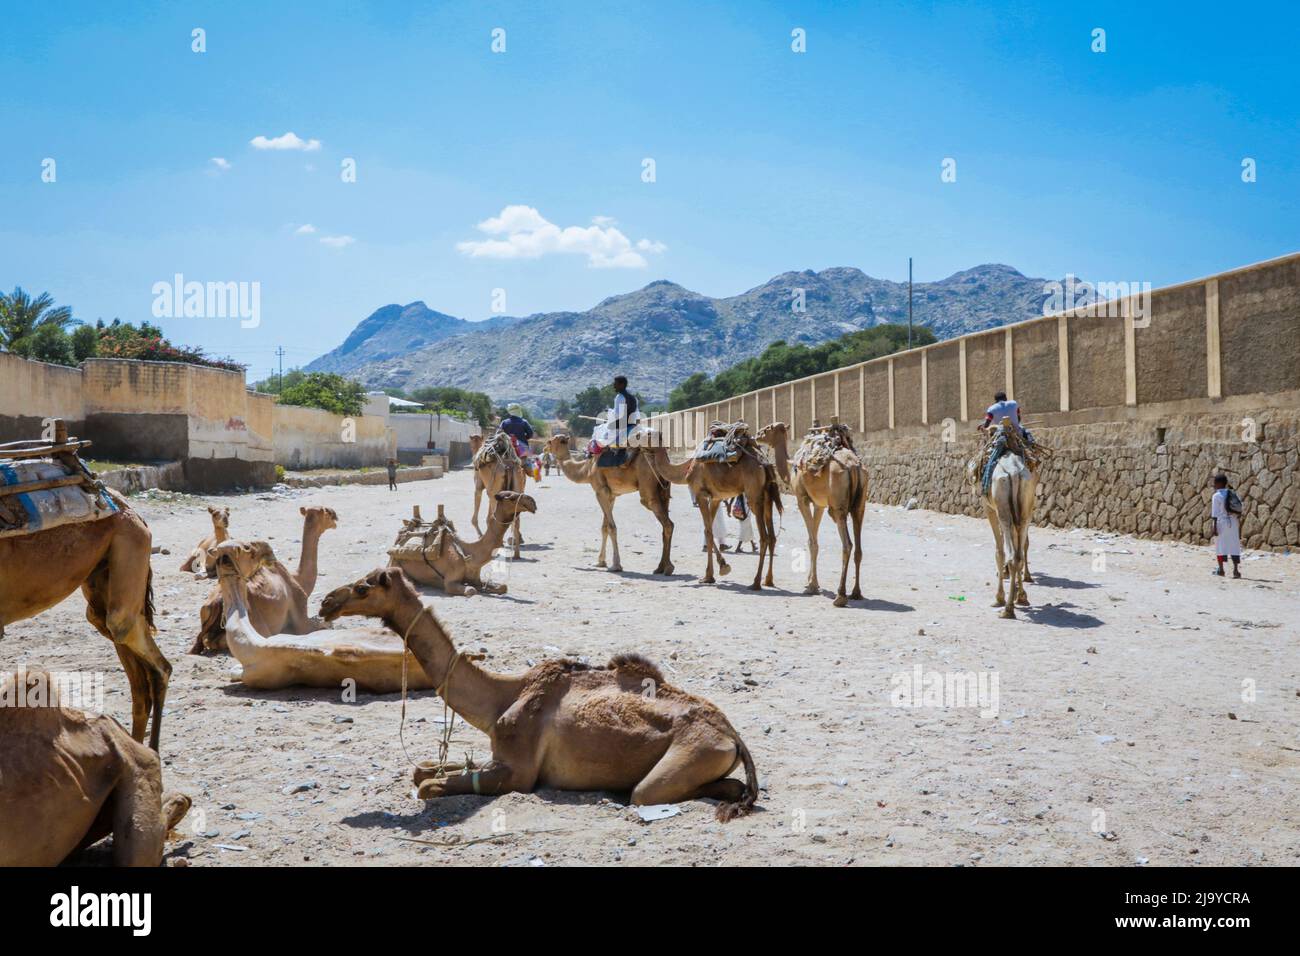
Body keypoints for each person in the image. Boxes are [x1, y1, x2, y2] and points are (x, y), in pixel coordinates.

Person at [1210, 474, 1243, 578]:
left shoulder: (1216, 496)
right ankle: (1236, 571)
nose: (1213, 484)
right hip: (1233, 522)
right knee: (1234, 545)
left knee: (1220, 546)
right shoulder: (1233, 493)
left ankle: (1221, 570)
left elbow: (1215, 514)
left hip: (1222, 523)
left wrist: (1214, 527)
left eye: (1215, 482)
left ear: (1219, 483)